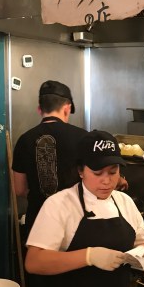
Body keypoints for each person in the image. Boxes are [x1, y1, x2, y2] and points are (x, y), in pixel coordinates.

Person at [24, 130, 144, 287]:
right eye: (98, 173)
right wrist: (89, 256)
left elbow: (143, 243)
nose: (106, 181)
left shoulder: (125, 202)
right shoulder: (60, 204)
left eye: (113, 172)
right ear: (80, 171)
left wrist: (141, 254)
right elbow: (34, 262)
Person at [12, 80, 88, 239]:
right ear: (67, 108)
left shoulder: (24, 139)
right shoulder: (83, 137)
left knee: (39, 256)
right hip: (76, 219)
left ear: (39, 109)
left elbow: (19, 189)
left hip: (38, 219)